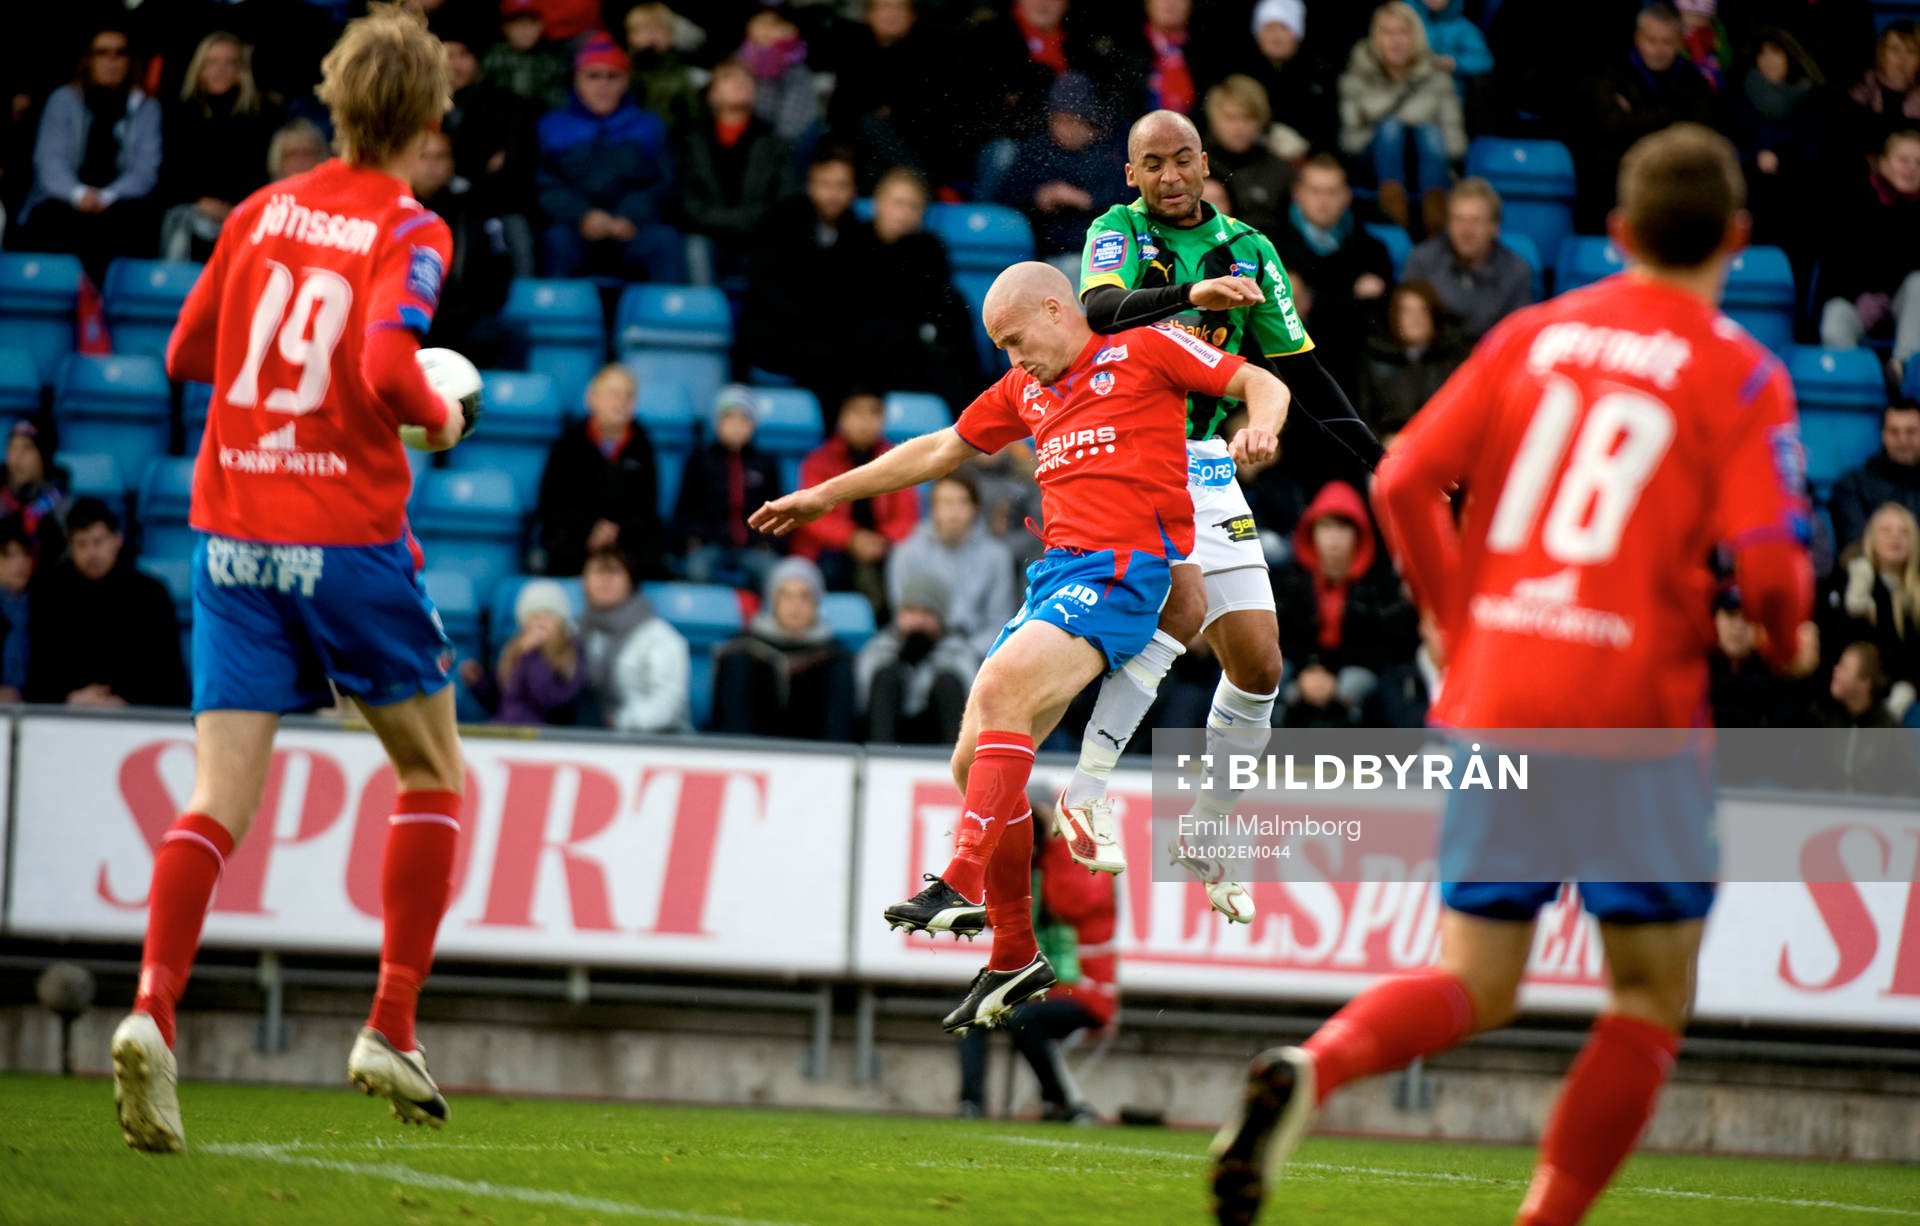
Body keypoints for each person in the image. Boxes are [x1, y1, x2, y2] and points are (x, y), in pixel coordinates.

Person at [1209, 124, 1816, 1226]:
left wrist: (1457, 621)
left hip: (1498, 695)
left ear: (1617, 234)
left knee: (1478, 978)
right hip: (1631, 711)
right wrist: (1785, 641)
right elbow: (1774, 569)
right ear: (1736, 237)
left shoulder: (1534, 335)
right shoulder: (1742, 368)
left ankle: (1315, 1063)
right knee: (1643, 993)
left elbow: (1400, 485)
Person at [112, 6, 474, 1153]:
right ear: (426, 117)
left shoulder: (264, 209)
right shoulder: (412, 227)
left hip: (227, 533)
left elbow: (181, 357)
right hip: (344, 540)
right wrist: (439, 413)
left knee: (217, 798)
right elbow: (379, 364)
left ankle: (151, 1009)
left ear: (331, 101)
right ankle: (390, 1022)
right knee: (433, 773)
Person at [753, 260, 1289, 1034]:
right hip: (1058, 575)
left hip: (1126, 571)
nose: (1012, 359)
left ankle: (959, 880)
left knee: (1001, 692)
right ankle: (1013, 952)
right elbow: (939, 450)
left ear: (1054, 307)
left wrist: (1260, 424)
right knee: (972, 766)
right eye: (999, 348)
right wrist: (822, 496)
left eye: (1014, 340)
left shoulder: (1143, 351)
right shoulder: (1023, 391)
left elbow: (1257, 383)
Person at [1065, 111, 1371, 925]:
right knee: (1181, 608)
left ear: (1206, 162)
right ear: (1131, 174)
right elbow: (1100, 312)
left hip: (1205, 467)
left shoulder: (1254, 250)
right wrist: (1191, 295)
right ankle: (1086, 791)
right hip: (1128, 457)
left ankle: (1204, 831)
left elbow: (1298, 366)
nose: (1169, 177)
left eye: (1182, 161)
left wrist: (1381, 459)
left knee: (1261, 663)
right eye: (1152, 164)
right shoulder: (1115, 230)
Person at [955, 787, 1116, 1121]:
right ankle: (971, 1105)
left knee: (1026, 1019)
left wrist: (1054, 845)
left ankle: (1059, 1103)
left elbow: (1068, 904)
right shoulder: (1032, 867)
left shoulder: (1085, 861)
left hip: (1084, 992)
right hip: (1042, 987)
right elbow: (993, 918)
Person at [535, 33, 688, 283]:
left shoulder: (649, 126)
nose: (603, 85)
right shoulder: (551, 126)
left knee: (665, 240)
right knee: (554, 241)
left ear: (626, 81)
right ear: (577, 80)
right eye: (593, 76)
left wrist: (629, 216)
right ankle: (555, 320)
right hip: (575, 228)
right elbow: (544, 184)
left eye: (612, 76)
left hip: (633, 229)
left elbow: (664, 183)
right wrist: (584, 215)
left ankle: (666, 321)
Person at [18, 24, 163, 283]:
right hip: (65, 201)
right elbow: (49, 162)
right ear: (89, 60)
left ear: (131, 61)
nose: (112, 62)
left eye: (120, 54)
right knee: (52, 223)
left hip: (118, 203)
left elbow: (145, 170)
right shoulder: (62, 100)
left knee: (132, 225)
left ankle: (105, 312)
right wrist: (80, 194)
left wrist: (106, 196)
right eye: (103, 53)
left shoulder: (146, 107)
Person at [23, 496, 185, 709]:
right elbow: (38, 671)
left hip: (138, 718)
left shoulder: (150, 595)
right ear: (70, 548)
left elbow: (168, 674)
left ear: (116, 540)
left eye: (98, 542)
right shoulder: (50, 595)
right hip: (63, 716)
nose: (91, 553)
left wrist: (125, 702)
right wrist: (69, 699)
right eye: (81, 544)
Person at [1271, 479, 1418, 708]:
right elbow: (1281, 638)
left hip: (1356, 677)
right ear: (1312, 531)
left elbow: (1387, 648)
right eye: (1326, 527)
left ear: (1358, 533)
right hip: (1300, 673)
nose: (1334, 538)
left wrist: (1335, 679)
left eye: (1342, 527)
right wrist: (1307, 675)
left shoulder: (1378, 588)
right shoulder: (1290, 583)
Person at [741, 146, 870, 397]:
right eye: (825, 184)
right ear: (810, 185)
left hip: (828, 341)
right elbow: (768, 289)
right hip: (781, 335)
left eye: (841, 185)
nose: (833, 194)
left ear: (853, 190)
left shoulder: (858, 232)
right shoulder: (780, 221)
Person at [1580, 4, 1719, 230]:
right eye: (1651, 40)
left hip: (1678, 189)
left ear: (1679, 42)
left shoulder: (1695, 84)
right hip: (1616, 187)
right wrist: (1669, 120)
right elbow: (1608, 129)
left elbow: (1699, 138)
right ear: (1637, 38)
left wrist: (1634, 116)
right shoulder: (1611, 76)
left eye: (1667, 42)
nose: (1659, 49)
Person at [1271, 154, 1395, 398]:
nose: (1323, 201)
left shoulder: (1372, 250)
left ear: (1346, 196)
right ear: (1298, 193)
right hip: (1294, 374)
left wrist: (1314, 300)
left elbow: (1380, 317)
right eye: (1315, 191)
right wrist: (1351, 297)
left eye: (1331, 192)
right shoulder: (1273, 246)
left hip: (1355, 369)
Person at [1338, 2, 1466, 235]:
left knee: (1430, 132)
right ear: (1375, 37)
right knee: (1390, 128)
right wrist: (1400, 117)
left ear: (1416, 36)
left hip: (1430, 163)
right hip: (1371, 164)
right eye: (1387, 32)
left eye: (1403, 32)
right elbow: (1351, 141)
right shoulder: (1358, 75)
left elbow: (1455, 146)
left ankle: (1435, 219)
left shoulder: (1437, 77)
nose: (1396, 41)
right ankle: (1394, 217)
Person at [790, 390, 919, 611]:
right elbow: (812, 517)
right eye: (857, 413)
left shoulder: (897, 458)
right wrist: (851, 538)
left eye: (874, 413)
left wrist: (882, 540)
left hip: (882, 549)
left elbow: (906, 515)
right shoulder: (819, 461)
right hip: (831, 551)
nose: (865, 422)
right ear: (842, 417)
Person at [674, 59, 795, 286]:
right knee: (695, 247)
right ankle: (705, 317)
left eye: (747, 78)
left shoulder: (775, 143)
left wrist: (746, 222)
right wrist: (734, 221)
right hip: (706, 233)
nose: (740, 82)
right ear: (712, 94)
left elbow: (783, 201)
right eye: (729, 77)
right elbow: (687, 202)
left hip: (758, 235)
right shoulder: (689, 140)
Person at [158, 32, 275, 263]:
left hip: (245, 213)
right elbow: (169, 175)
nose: (220, 70)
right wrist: (200, 202)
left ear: (242, 71)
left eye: (230, 63)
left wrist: (233, 208)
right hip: (191, 209)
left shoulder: (262, 118)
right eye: (212, 62)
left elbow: (263, 176)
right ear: (199, 70)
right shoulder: (179, 116)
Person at [537, 363, 662, 580]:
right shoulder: (568, 445)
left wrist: (617, 532)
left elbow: (647, 509)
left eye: (628, 396)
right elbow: (552, 504)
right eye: (614, 394)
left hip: (627, 547)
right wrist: (589, 531)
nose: (621, 402)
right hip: (574, 544)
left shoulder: (643, 447)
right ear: (592, 399)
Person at [866, 168, 980, 404]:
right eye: (898, 203)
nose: (904, 213)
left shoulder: (930, 250)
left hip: (918, 355)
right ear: (878, 204)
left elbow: (941, 309)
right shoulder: (854, 244)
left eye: (913, 206)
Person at [711, 556, 855, 741]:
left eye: (804, 596)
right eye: (786, 595)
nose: (795, 605)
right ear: (773, 601)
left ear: (816, 604)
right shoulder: (741, 651)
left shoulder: (836, 657)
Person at [1817, 129, 1920, 384]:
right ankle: (1856, 387)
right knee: (1834, 318)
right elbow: (1836, 263)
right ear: (1882, 163)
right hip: (1857, 303)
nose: (1911, 169)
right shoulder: (1853, 200)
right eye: (1903, 160)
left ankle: (1902, 370)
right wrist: (1858, 297)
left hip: (1903, 307)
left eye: (1919, 163)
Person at [411, 129, 517, 370]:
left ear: (452, 163)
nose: (432, 165)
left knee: (501, 334)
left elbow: (499, 271)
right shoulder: (394, 208)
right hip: (407, 317)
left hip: (463, 320)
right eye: (424, 157)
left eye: (440, 157)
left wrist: (467, 309)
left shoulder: (474, 207)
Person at [993, 72, 1129, 258]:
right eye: (1058, 120)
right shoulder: (1039, 150)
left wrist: (1086, 199)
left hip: (1103, 252)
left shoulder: (1113, 150)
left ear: (1090, 121)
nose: (1066, 129)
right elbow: (1002, 197)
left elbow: (1133, 198)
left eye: (1073, 121)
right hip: (1045, 254)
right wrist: (1038, 196)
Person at [887, 470, 1018, 657]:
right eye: (946, 502)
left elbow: (999, 620)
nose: (954, 511)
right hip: (919, 647)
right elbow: (903, 614)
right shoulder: (906, 553)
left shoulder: (998, 556)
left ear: (975, 508)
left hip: (975, 653)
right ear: (933, 508)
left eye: (962, 502)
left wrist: (966, 652)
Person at [672, 384, 784, 591]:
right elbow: (685, 508)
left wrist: (768, 542)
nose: (736, 425)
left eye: (744, 418)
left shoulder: (765, 463)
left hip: (753, 547)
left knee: (775, 574)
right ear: (716, 422)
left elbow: (778, 510)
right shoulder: (699, 461)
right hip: (709, 544)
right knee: (696, 570)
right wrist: (693, 540)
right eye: (728, 417)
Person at [1401, 178, 1532, 342]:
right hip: (1435, 359)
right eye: (1458, 219)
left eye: (1475, 221)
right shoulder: (1422, 260)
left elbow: (1517, 339)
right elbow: (1406, 328)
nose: (1466, 230)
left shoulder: (1516, 271)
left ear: (1494, 226)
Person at [576, 546, 691, 733]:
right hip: (586, 741)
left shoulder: (658, 636)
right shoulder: (574, 632)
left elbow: (668, 704)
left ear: (631, 581)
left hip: (656, 744)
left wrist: (615, 721)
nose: (604, 580)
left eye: (613, 572)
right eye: (597, 572)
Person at [857, 572, 979, 745]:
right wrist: (903, 665)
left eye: (927, 613)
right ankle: (881, 757)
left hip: (936, 730)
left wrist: (927, 665)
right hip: (891, 729)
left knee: (949, 683)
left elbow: (968, 695)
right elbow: (863, 696)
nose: (918, 621)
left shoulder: (959, 651)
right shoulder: (878, 648)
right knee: (886, 677)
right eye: (911, 611)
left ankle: (953, 762)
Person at [1822, 502, 1920, 711]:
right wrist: (1856, 602)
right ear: (1871, 538)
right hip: (1848, 694)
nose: (1895, 537)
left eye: (1904, 532)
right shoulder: (1849, 576)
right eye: (1886, 530)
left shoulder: (1916, 595)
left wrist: (1909, 688)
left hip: (1898, 694)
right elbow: (1832, 638)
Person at [460, 578, 586, 726]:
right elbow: (499, 701)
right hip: (505, 730)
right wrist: (478, 684)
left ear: (561, 622)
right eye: (534, 617)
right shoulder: (513, 650)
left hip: (546, 737)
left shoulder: (570, 655)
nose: (541, 622)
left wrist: (534, 655)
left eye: (549, 615)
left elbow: (549, 700)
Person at [1357, 280, 1468, 433]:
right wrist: (1382, 440)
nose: (1416, 319)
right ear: (1394, 316)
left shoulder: (1455, 359)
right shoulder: (1375, 358)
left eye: (1423, 311)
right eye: (1407, 311)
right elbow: (1364, 414)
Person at [1243, 0, 1338, 162]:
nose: (1275, 37)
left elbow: (1329, 130)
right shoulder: (1243, 73)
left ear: (1297, 34)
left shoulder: (1319, 74)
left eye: (1284, 28)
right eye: (1269, 28)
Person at [1200, 75, 1293, 239]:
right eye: (1231, 117)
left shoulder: (1280, 171)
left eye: (1248, 118)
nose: (1239, 127)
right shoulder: (1193, 166)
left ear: (1261, 120)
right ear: (1213, 117)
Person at [1829, 400, 1920, 550]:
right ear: (1883, 435)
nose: (1903, 440)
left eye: (1911, 432)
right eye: (1894, 432)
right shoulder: (1854, 485)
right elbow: (1855, 546)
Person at [738, 3, 820, 146]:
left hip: (784, 143)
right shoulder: (740, 60)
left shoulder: (795, 66)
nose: (765, 30)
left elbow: (794, 118)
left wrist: (771, 147)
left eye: (773, 24)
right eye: (760, 22)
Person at [1845, 21, 1920, 155]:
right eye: (1895, 49)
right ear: (1881, 52)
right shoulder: (1860, 94)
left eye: (1910, 51)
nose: (1901, 58)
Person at [483, 0, 568, 111]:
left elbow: (557, 102)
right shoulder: (493, 58)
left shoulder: (551, 61)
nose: (524, 29)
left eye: (531, 22)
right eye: (517, 22)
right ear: (504, 27)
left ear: (542, 26)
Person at [1, 421, 66, 564]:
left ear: (44, 456)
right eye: (12, 448)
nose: (16, 458)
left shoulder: (63, 506)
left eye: (27, 448)